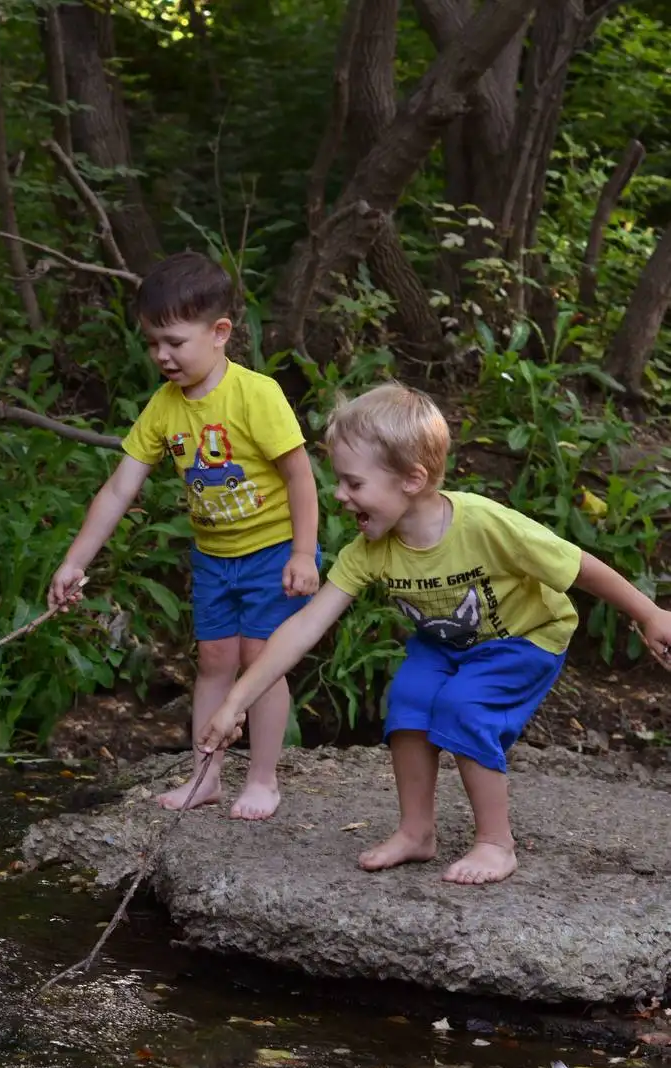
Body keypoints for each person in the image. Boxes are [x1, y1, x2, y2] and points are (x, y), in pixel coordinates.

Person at [197, 382, 671, 884]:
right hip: (446, 644)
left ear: (412, 479)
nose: (339, 495)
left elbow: (577, 567)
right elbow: (304, 626)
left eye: (353, 483)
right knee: (409, 701)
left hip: (524, 637)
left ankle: (496, 843)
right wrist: (234, 703)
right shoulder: (369, 550)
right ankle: (416, 832)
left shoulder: (484, 524)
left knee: (464, 707)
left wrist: (649, 614)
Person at [48, 251, 320, 820]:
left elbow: (300, 475)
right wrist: (75, 561)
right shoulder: (163, 408)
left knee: (261, 660)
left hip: (273, 552)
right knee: (215, 659)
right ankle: (206, 776)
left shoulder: (256, 394)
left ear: (220, 332)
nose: (161, 355)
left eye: (174, 341)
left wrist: (302, 552)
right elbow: (119, 489)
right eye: (152, 343)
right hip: (215, 557)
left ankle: (263, 779)